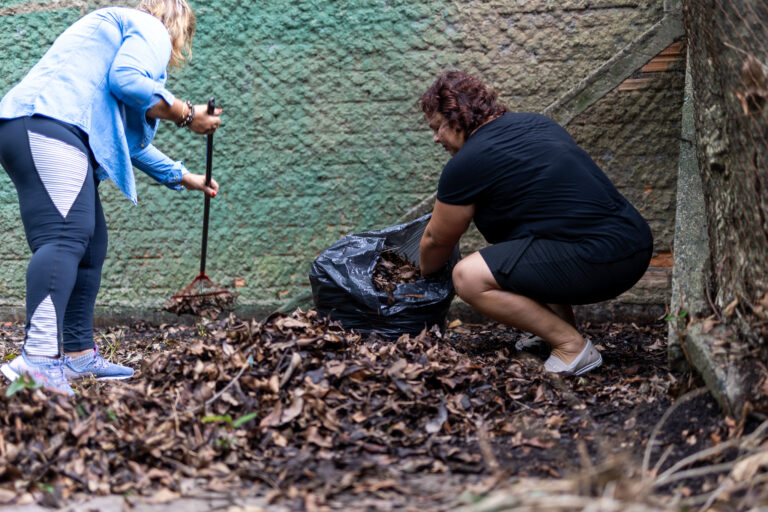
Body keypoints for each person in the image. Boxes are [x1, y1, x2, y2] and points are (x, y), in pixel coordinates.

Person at [0, 0, 221, 395]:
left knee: (89, 243)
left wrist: (186, 177)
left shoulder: (111, 43)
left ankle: (79, 356)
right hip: (47, 125)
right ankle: (36, 359)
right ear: (177, 27)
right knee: (66, 236)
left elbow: (128, 145)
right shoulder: (147, 27)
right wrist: (187, 114)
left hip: (42, 128)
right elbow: (127, 80)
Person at [418, 70, 653, 376]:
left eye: (437, 128)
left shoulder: (467, 162)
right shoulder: (537, 123)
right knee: (518, 248)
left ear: (456, 117)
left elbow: (437, 239)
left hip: (604, 256)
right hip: (633, 241)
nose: (436, 138)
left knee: (468, 277)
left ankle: (571, 346)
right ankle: (558, 329)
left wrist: (419, 276)